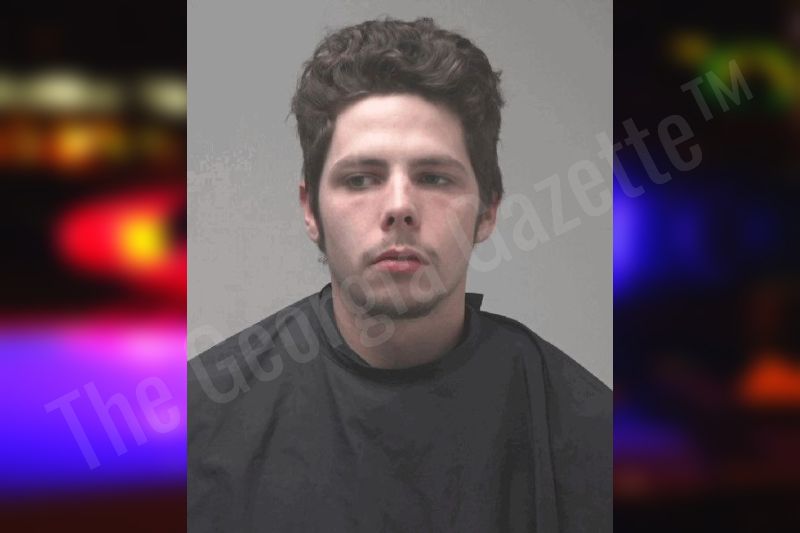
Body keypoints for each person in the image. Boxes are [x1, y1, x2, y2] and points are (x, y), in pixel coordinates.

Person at [188, 17, 611, 532]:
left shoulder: (594, 437)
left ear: (488, 210)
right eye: (360, 179)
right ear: (310, 209)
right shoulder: (197, 428)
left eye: (433, 177)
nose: (399, 207)